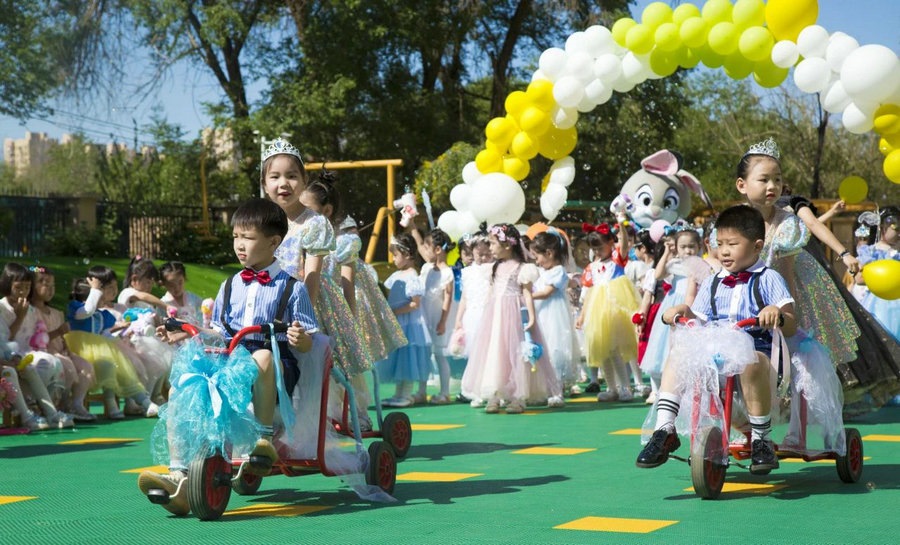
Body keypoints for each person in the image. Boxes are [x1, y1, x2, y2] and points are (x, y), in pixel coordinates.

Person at [139, 198, 319, 516]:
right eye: (236, 236)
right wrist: (186, 332)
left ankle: (263, 440)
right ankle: (179, 475)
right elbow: (221, 333)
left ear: (274, 242)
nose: (239, 245)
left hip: (276, 370)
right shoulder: (229, 285)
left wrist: (300, 338)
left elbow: (308, 342)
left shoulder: (293, 288)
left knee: (262, 356)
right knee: (185, 380)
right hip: (233, 363)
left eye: (248, 237)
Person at [636, 205, 797, 474]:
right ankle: (664, 430)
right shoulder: (713, 282)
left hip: (758, 355)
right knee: (679, 354)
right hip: (716, 353)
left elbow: (791, 324)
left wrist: (776, 314)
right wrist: (682, 311)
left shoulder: (769, 278)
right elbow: (698, 318)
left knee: (750, 360)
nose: (724, 251)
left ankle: (761, 440)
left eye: (732, 244)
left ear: (757, 246)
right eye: (720, 243)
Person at [300, 171, 406, 430]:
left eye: (308, 210)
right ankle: (319, 415)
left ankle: (358, 412)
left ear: (326, 210)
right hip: (305, 305)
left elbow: (348, 283)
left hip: (330, 309)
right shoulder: (299, 234)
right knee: (313, 363)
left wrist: (351, 322)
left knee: (343, 363)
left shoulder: (343, 241)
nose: (303, 216)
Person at [266, 140, 371, 395]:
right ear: (264, 183)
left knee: (312, 372)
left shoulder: (313, 223)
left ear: (304, 181)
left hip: (308, 302)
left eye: (292, 176)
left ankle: (327, 408)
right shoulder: (263, 220)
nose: (283, 183)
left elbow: (311, 274)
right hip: (271, 303)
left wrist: (304, 318)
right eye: (275, 176)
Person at [460, 224, 561, 413]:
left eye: (493, 244)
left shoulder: (522, 268)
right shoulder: (493, 268)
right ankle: (494, 395)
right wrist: (486, 314)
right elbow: (491, 292)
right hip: (495, 315)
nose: (490, 248)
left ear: (507, 245)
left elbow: (527, 293)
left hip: (514, 314)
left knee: (515, 352)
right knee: (495, 352)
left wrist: (531, 317)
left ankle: (517, 397)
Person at [65, 266, 156, 419]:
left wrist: (122, 337)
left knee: (113, 367)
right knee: (108, 365)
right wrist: (95, 290)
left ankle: (142, 402)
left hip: (100, 351)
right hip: (80, 351)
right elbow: (87, 311)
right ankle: (80, 404)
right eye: (99, 295)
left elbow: (105, 333)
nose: (103, 298)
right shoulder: (78, 309)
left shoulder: (102, 315)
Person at [0, 263, 74, 428]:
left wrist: (13, 357)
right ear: (7, 284)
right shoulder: (1, 308)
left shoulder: (30, 309)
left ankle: (51, 413)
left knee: (31, 368)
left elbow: (12, 343)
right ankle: (27, 416)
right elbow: (5, 338)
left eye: (27, 287)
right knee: (10, 371)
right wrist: (20, 316)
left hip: (15, 355)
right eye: (18, 287)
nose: (23, 292)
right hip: (5, 361)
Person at [641, 228, 711, 401]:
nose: (687, 250)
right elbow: (658, 274)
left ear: (699, 246)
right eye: (683, 247)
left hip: (690, 307)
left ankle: (681, 388)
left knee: (683, 347)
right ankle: (657, 389)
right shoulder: (675, 263)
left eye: (691, 246)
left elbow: (699, 288)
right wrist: (667, 252)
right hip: (672, 305)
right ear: (677, 248)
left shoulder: (701, 265)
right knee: (661, 346)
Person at [575, 219, 640, 401]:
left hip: (614, 309)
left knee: (615, 351)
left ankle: (625, 387)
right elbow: (588, 294)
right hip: (598, 313)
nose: (597, 252)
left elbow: (624, 244)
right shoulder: (591, 268)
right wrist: (582, 316)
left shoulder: (616, 259)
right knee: (603, 352)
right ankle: (611, 388)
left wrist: (621, 225)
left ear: (611, 243)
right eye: (594, 249)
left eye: (600, 247)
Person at [28, 266, 96, 421]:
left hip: (60, 351)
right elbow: (34, 339)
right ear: (31, 286)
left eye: (52, 285)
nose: (49, 288)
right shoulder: (30, 311)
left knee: (85, 366)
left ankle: (77, 403)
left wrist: (68, 350)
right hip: (44, 352)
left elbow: (62, 338)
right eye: (44, 283)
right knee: (67, 366)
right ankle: (61, 405)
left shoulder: (57, 313)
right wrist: (58, 332)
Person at [376, 233, 432, 407]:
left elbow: (415, 303)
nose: (393, 259)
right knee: (399, 359)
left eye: (396, 255)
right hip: (398, 323)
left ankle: (406, 395)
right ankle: (398, 394)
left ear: (407, 255)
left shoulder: (412, 276)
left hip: (408, 325)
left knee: (408, 359)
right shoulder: (397, 275)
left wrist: (395, 311)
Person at [530, 228, 581, 405]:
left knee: (555, 350)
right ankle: (545, 389)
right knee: (544, 351)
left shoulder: (558, 271)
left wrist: (526, 296)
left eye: (537, 256)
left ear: (549, 253)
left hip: (553, 316)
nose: (536, 261)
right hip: (542, 315)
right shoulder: (542, 272)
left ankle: (557, 391)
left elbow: (546, 293)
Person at [410, 227, 457, 404]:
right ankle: (421, 391)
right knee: (423, 354)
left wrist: (443, 321)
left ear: (438, 249)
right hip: (424, 317)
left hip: (437, 318)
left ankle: (444, 392)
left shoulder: (447, 273)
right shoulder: (426, 268)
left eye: (427, 247)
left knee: (439, 354)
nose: (424, 250)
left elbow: (447, 299)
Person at [453, 230, 493, 403]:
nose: (482, 258)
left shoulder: (493, 269)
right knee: (473, 355)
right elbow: (464, 297)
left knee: (487, 354)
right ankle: (469, 388)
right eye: (479, 254)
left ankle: (486, 388)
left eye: (486, 254)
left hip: (487, 314)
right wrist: (458, 319)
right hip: (472, 316)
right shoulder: (468, 272)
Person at [857, 206, 900, 342]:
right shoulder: (871, 252)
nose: (899, 233)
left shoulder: (897, 254)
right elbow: (859, 278)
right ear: (882, 227)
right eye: (896, 229)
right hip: (877, 302)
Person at [159, 261, 204, 326]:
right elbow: (159, 323)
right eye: (171, 285)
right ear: (163, 284)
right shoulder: (163, 303)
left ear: (184, 278)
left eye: (180, 282)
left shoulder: (192, 298)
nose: (177, 288)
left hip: (196, 331)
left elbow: (205, 308)